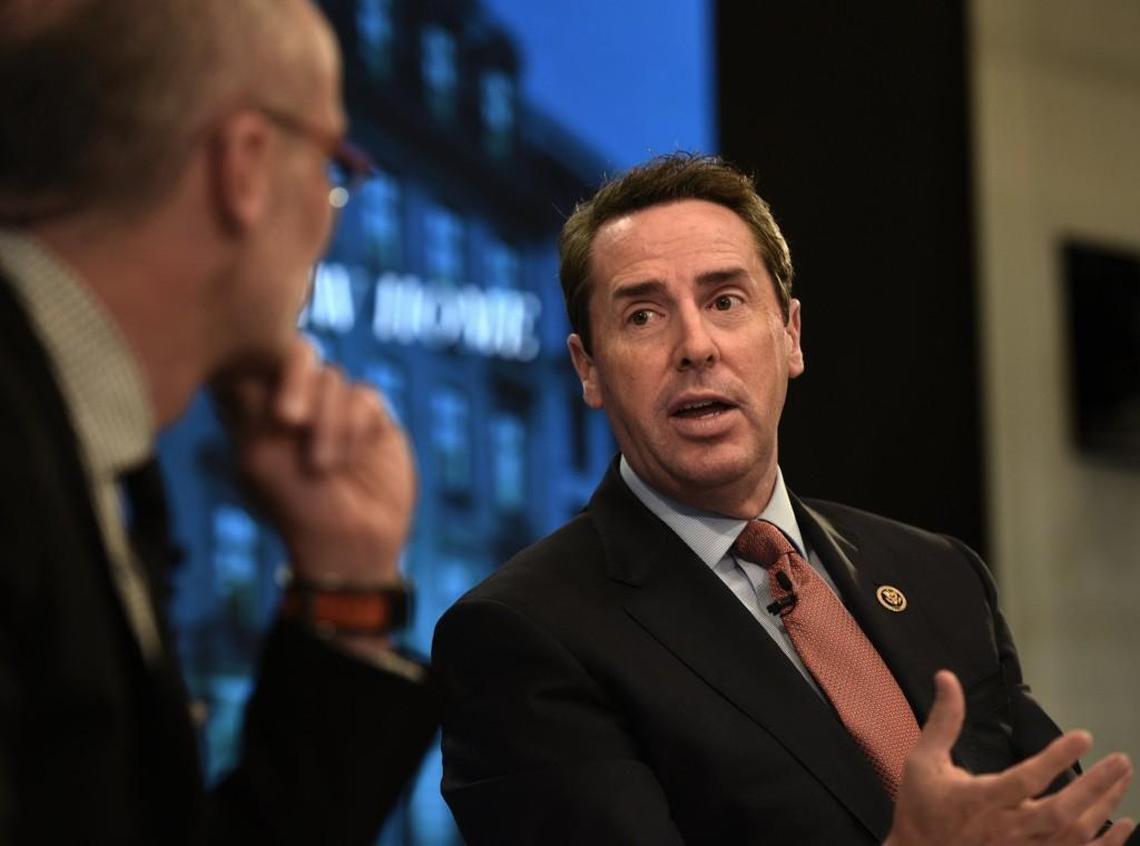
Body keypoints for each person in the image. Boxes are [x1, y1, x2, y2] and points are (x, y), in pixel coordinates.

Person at [433, 153, 1136, 845]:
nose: (696, 346)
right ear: (588, 369)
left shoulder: (939, 575)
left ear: (791, 336)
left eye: (725, 301)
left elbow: (1063, 823)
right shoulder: (520, 636)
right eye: (643, 316)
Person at [0, 0, 437, 842]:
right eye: (333, 166)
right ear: (246, 166)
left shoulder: (89, 456)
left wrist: (345, 586)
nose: (331, 217)